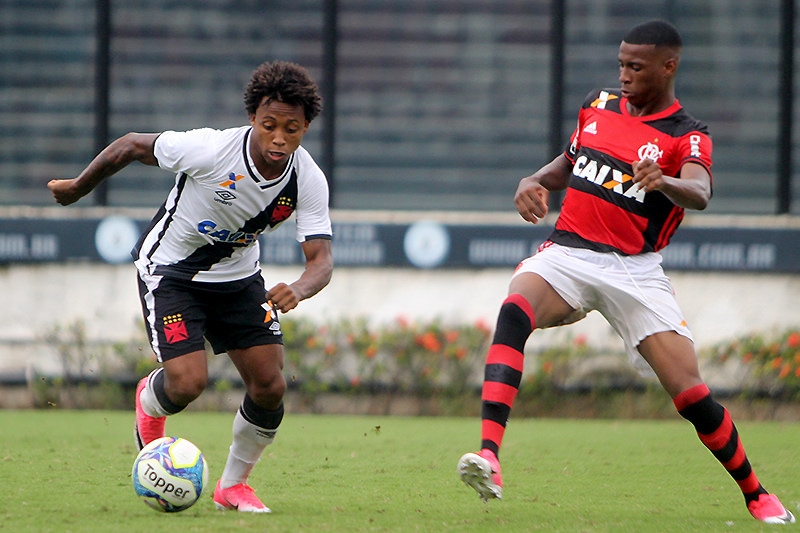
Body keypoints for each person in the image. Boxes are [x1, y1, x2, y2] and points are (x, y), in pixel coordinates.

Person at [457, 20, 794, 524]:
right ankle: (489, 456)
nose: (624, 75)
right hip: (569, 253)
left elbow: (700, 192)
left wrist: (665, 182)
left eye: (635, 66)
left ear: (668, 67)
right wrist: (533, 179)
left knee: (690, 394)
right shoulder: (598, 105)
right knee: (515, 309)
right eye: (621, 64)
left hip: (634, 269)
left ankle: (756, 493)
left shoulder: (687, 135)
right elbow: (570, 162)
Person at [48, 61, 333, 513]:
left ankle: (232, 487)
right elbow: (131, 145)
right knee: (186, 384)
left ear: (306, 128)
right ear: (253, 118)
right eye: (269, 125)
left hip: (239, 280)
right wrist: (79, 188)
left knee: (270, 385)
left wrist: (298, 289)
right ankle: (150, 400)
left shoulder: (307, 179)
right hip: (171, 273)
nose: (279, 138)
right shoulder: (212, 150)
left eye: (291, 129)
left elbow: (321, 261)